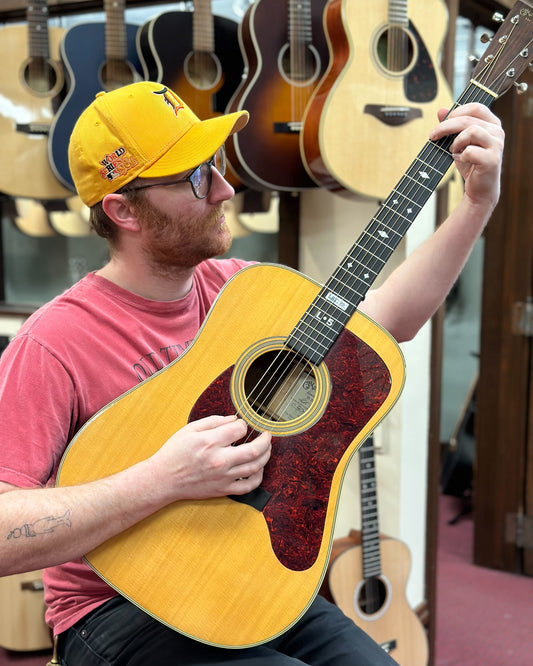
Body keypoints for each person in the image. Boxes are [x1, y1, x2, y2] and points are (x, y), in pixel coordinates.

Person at [0, 81, 504, 665]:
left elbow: (383, 324)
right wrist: (162, 478)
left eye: (213, 164)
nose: (224, 187)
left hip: (256, 582)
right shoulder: (53, 342)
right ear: (121, 210)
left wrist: (475, 205)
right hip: (118, 612)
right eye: (194, 177)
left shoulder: (243, 290)